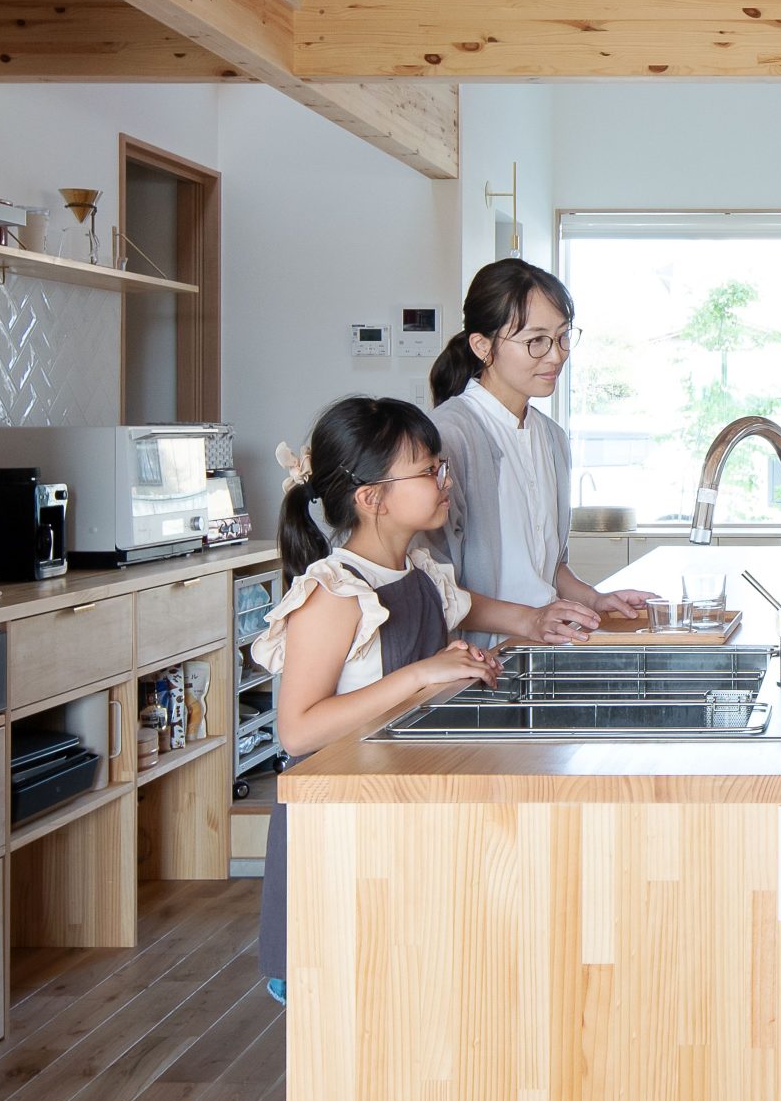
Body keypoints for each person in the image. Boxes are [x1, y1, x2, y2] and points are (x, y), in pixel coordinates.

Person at [249, 396, 554, 1003]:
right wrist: (419, 675)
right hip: (338, 833)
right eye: (429, 470)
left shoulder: (417, 569)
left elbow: (463, 604)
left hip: (396, 816)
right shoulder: (334, 594)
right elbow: (298, 731)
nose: (447, 480)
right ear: (373, 498)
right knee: (345, 1004)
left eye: (442, 466)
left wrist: (532, 621)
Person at [429, 259, 656, 644]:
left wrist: (594, 600)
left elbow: (548, 569)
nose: (556, 355)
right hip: (479, 661)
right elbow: (431, 586)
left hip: (536, 650)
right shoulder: (450, 435)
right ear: (482, 346)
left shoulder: (551, 438)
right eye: (536, 341)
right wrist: (528, 620)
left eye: (563, 336)